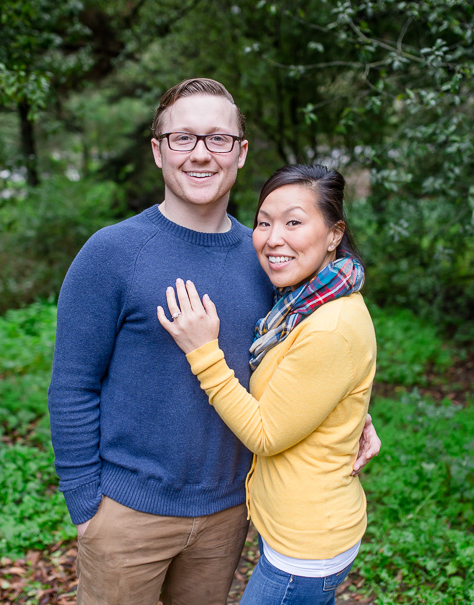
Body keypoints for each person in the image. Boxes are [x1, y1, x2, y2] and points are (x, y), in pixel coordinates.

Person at [48, 78, 380, 605]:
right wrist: (86, 507)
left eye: (218, 139)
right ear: (158, 150)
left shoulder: (267, 258)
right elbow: (71, 385)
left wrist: (349, 415)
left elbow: (302, 355)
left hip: (227, 514)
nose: (201, 154)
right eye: (183, 138)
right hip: (128, 515)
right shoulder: (110, 253)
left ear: (240, 153)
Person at [158, 164, 376, 605]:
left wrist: (204, 352)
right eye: (264, 221)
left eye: (294, 222)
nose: (273, 237)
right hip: (298, 529)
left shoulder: (328, 324)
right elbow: (309, 388)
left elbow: (266, 432)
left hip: (307, 544)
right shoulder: (300, 304)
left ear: (334, 234)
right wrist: (352, 417)